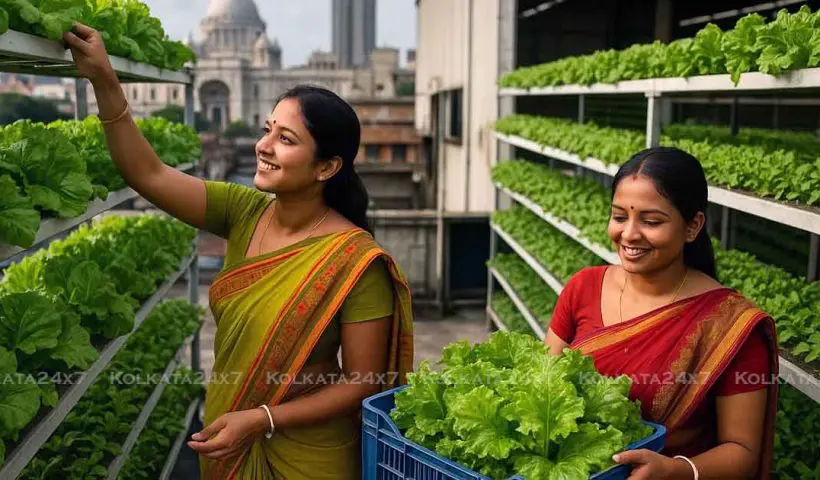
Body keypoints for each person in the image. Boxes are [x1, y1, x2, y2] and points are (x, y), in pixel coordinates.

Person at [64, 23, 414, 480]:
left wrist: (261, 418)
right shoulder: (243, 212)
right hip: (230, 435)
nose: (263, 146)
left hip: (309, 455)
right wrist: (105, 82)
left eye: (286, 140)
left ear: (327, 166)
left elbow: (363, 383)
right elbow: (147, 174)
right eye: (267, 129)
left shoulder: (355, 261)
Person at [545, 147, 777, 480]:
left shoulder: (729, 325)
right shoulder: (582, 287)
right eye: (620, 216)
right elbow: (542, 385)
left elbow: (742, 452)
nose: (629, 234)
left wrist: (674, 470)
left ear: (693, 226)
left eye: (651, 221)